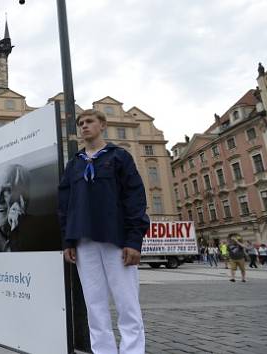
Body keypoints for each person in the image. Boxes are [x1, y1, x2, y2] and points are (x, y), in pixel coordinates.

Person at [59, 109, 150, 354]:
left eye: (89, 121)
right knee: (95, 307)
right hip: (84, 242)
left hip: (116, 239)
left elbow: (135, 198)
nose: (84, 126)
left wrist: (134, 240)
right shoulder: (74, 164)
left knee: (127, 305)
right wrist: (67, 240)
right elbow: (65, 204)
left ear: (102, 125)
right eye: (80, 123)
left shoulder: (120, 157)